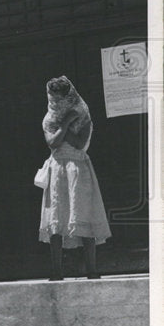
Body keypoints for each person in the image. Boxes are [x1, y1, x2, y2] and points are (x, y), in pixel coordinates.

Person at [37, 76, 111, 280]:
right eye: (53, 99)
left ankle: (92, 269)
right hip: (57, 169)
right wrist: (64, 124)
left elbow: (79, 143)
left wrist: (66, 124)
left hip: (78, 168)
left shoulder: (83, 115)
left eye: (60, 99)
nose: (56, 104)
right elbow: (52, 142)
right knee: (55, 217)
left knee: (83, 213)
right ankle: (56, 271)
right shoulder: (49, 118)